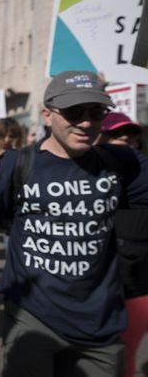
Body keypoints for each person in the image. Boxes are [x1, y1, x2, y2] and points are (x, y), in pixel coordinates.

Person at [0, 71, 148, 377]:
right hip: (32, 317)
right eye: (75, 112)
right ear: (48, 116)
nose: (87, 122)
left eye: (96, 112)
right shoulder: (17, 163)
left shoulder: (122, 162)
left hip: (100, 327)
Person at [98, 112, 148, 377]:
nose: (125, 140)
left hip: (135, 276)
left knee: (123, 352)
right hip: (106, 272)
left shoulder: (139, 166)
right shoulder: (90, 169)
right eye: (117, 135)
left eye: (130, 136)